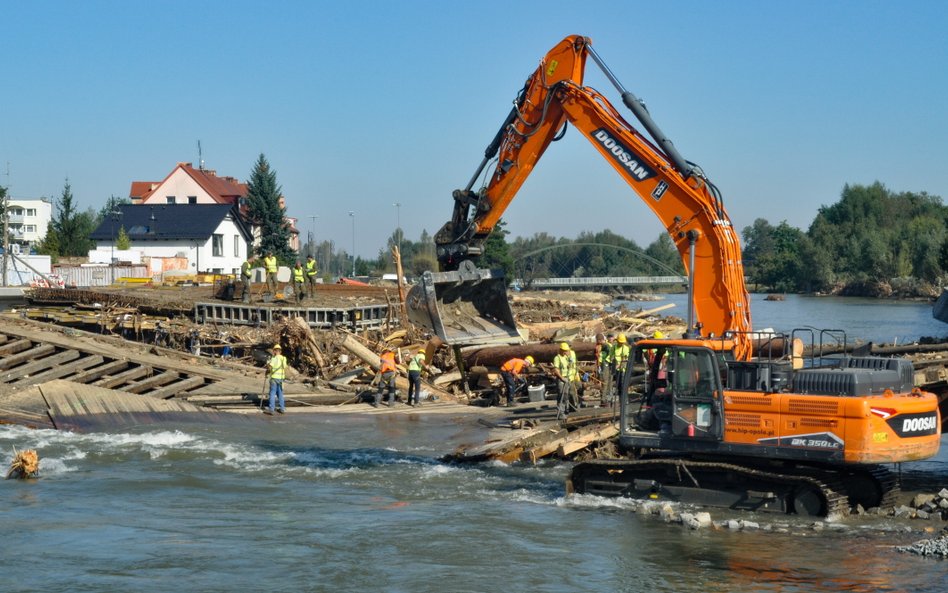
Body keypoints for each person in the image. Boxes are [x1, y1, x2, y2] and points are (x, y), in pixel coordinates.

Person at [552, 342, 579, 416]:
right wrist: (562, 378)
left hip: (568, 378)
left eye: (566, 350)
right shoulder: (557, 358)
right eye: (564, 350)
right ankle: (561, 413)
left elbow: (571, 366)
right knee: (562, 396)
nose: (566, 352)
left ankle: (567, 409)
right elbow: (556, 370)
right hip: (562, 380)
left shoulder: (567, 357)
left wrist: (571, 362)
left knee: (568, 395)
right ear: (560, 350)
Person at [264, 344, 288, 415]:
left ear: (274, 351)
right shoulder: (284, 358)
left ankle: (271, 409)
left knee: (272, 393)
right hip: (281, 379)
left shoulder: (274, 359)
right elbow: (285, 367)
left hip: (274, 378)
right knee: (280, 394)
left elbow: (270, 368)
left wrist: (267, 365)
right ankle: (282, 409)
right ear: (280, 351)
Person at [595, 333, 614, 405]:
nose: (596, 342)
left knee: (605, 381)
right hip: (603, 364)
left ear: (600, 340)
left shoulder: (606, 345)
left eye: (597, 340)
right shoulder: (602, 346)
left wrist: (607, 361)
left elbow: (611, 354)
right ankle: (606, 398)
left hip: (605, 365)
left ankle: (604, 399)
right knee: (606, 381)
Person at [613, 333, 631, 399]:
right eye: (620, 342)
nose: (621, 344)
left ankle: (624, 398)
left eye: (622, 342)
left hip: (623, 368)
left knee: (623, 383)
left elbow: (625, 359)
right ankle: (620, 395)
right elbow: (611, 356)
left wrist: (619, 365)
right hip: (616, 368)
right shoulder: (614, 347)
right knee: (618, 384)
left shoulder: (626, 348)